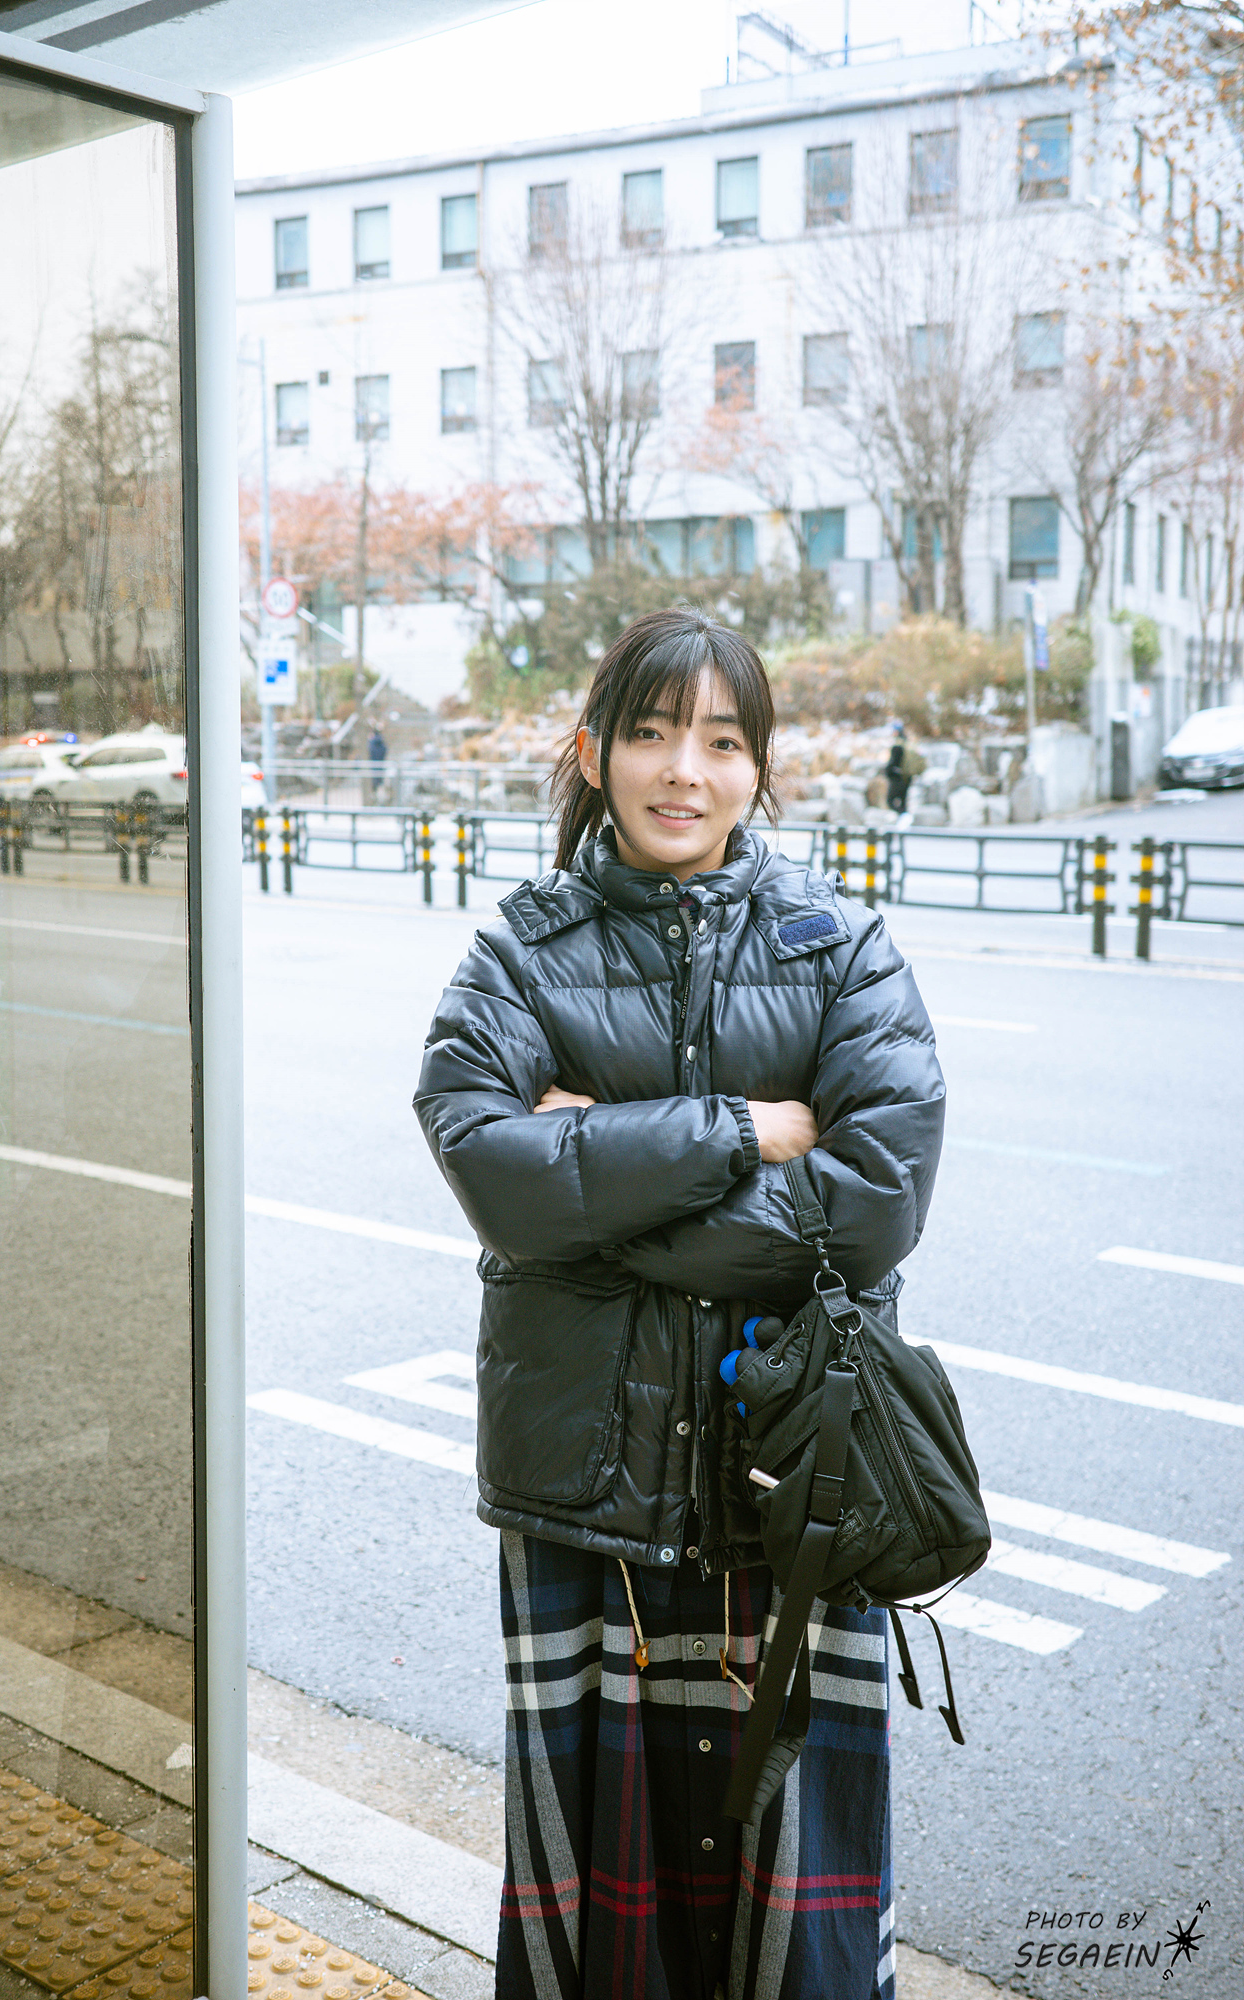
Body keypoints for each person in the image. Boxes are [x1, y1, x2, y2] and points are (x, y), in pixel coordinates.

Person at [414, 608, 945, 2000]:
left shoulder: (841, 947)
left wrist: (599, 1194)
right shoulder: (520, 953)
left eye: (719, 740)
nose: (682, 771)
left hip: (800, 1480)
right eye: (650, 733)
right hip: (587, 1487)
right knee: (608, 1914)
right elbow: (493, 1169)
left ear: (758, 767)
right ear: (593, 752)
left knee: (796, 1919)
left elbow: (874, 1204)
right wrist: (740, 1131)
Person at [883, 727, 909, 815]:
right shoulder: (906, 744)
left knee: (890, 800)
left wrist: (887, 772)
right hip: (906, 777)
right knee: (903, 801)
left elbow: (893, 763)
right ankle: (904, 816)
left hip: (897, 778)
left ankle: (900, 816)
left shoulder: (897, 746)